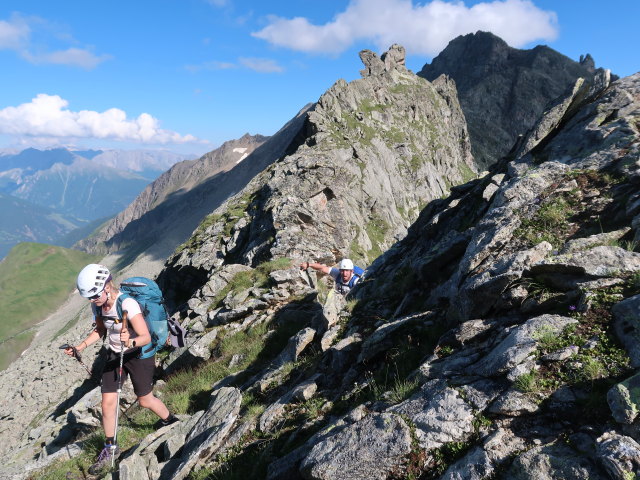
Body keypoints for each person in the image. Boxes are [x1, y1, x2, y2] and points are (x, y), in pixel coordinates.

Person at [65, 264, 178, 474]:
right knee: (107, 403)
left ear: (107, 286)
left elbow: (144, 337)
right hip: (115, 355)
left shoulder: (128, 304)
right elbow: (100, 330)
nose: (92, 300)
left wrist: (131, 342)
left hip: (138, 355)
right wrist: (80, 347)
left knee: (144, 400)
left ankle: (170, 420)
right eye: (89, 296)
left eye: (94, 295)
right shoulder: (97, 306)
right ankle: (111, 449)